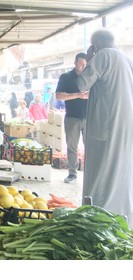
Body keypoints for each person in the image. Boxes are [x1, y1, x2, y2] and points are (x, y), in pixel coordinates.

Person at [77, 29, 133, 228]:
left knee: (101, 170)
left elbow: (82, 83)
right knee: (121, 171)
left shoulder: (102, 55)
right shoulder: (127, 60)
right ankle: (121, 218)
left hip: (105, 125)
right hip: (125, 125)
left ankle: (97, 215)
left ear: (96, 44)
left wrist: (90, 58)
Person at [56, 52, 88, 184]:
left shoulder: (90, 78)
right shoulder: (66, 77)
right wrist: (77, 95)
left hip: (89, 118)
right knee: (72, 147)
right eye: (80, 63)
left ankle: (90, 174)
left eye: (85, 64)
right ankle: (72, 173)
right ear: (75, 62)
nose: (82, 66)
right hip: (72, 118)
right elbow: (59, 96)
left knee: (91, 147)